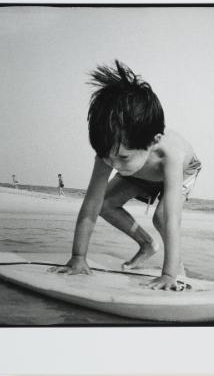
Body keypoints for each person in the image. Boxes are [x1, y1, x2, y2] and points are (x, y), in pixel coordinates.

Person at [54, 60, 201, 291]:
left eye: (122, 157)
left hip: (183, 170)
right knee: (105, 204)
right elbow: (91, 204)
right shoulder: (112, 150)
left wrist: (168, 275)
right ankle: (146, 244)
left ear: (153, 142)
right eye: (107, 157)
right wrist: (78, 257)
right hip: (141, 169)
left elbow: (172, 218)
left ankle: (177, 266)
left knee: (161, 218)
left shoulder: (169, 153)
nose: (114, 165)